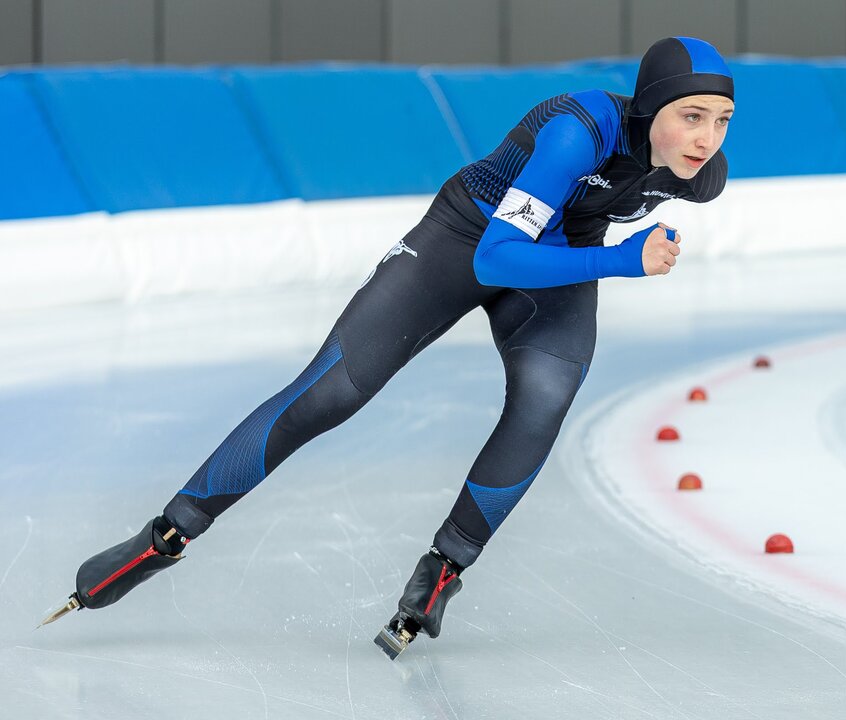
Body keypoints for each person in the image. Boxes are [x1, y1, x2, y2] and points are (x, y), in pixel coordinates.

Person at [44, 36, 735, 659]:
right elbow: (498, 257)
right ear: (649, 109)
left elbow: (576, 230)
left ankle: (444, 571)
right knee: (331, 392)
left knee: (547, 396)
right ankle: (167, 535)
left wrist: (603, 253)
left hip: (557, 261)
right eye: (690, 116)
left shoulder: (698, 173)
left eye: (720, 120)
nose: (704, 138)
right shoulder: (574, 134)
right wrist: (622, 261)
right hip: (467, 238)